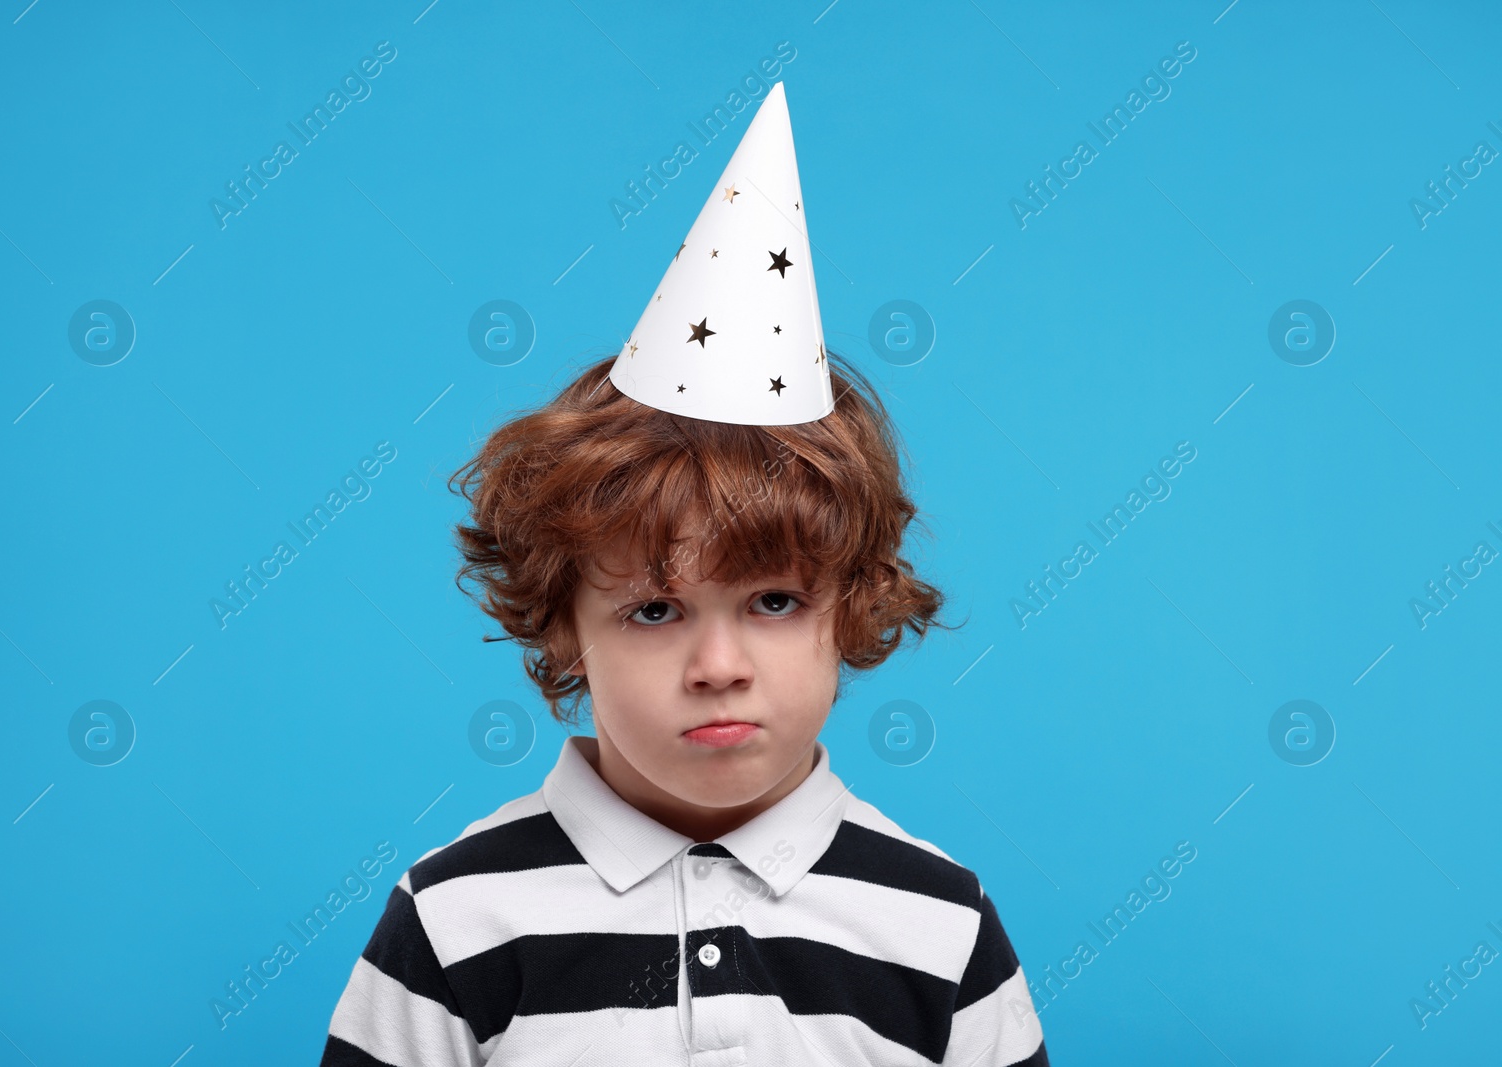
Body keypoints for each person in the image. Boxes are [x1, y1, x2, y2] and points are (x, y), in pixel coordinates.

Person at [318, 81, 1048, 1067]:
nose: (718, 663)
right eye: (654, 607)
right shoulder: (455, 916)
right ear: (564, 624)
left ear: (849, 606)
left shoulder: (938, 923)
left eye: (774, 600)